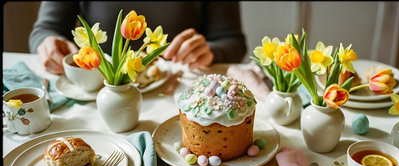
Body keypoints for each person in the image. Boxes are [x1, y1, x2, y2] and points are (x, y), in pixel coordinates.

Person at [29, 1, 247, 75]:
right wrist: (46, 43)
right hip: (98, 91)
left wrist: (210, 51)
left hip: (175, 94)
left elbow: (234, 42)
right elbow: (45, 30)